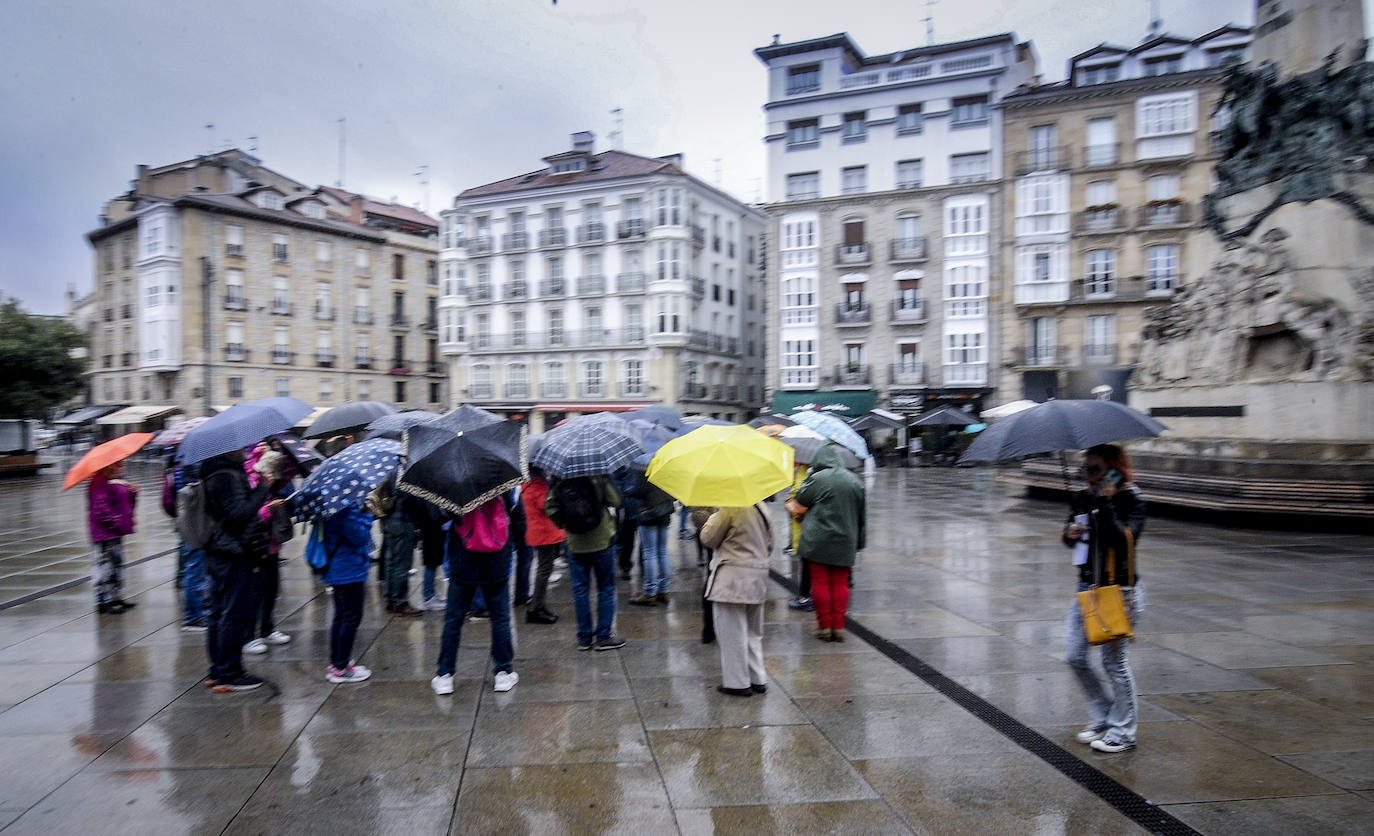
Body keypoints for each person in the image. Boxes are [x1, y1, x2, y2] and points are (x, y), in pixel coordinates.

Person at [1063, 443, 1146, 753]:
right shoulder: (1083, 497)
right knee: (1073, 655)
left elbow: (1123, 541)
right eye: (1085, 469)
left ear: (1114, 468)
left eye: (1095, 469)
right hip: (1087, 588)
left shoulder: (1131, 499)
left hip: (1119, 592)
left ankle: (1124, 732)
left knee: (1115, 664)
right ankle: (1104, 716)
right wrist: (1070, 532)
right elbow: (1073, 539)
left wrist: (1107, 502)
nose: (1088, 476)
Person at [431, 495, 519, 695]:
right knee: (500, 619)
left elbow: (439, 517)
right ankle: (503, 672)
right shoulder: (502, 482)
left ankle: (445, 675)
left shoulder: (456, 486)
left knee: (453, 620)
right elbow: (515, 512)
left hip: (464, 560)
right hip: (496, 560)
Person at [200, 447, 271, 692]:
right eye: (242, 447)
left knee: (218, 613)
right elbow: (238, 514)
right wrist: (262, 489)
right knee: (232, 614)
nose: (246, 450)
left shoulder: (215, 473)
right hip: (232, 551)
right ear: (228, 450)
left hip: (219, 549)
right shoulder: (226, 476)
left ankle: (217, 670)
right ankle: (230, 673)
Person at [790, 443, 865, 642]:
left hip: (818, 540)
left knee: (820, 582)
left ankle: (824, 626)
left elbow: (801, 499)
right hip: (846, 540)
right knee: (841, 583)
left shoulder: (817, 478)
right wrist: (860, 542)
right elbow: (861, 516)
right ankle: (838, 627)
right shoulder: (855, 481)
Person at [545, 473, 626, 651]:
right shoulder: (599, 475)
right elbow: (616, 501)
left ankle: (584, 637)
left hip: (575, 543)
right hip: (602, 540)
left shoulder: (561, 479)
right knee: (606, 588)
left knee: (580, 590)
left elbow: (550, 507)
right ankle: (603, 636)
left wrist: (564, 523)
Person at [699, 503, 773, 696]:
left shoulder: (729, 507)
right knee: (753, 632)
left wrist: (712, 516)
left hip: (731, 579)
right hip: (757, 576)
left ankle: (737, 682)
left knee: (732, 632)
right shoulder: (762, 507)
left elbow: (708, 538)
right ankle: (758, 678)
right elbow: (770, 544)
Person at [244, 449, 295, 654]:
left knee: (271, 588)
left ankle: (267, 628)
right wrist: (269, 509)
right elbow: (249, 514)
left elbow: (289, 472)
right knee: (255, 591)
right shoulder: (252, 482)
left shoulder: (274, 483)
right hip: (255, 544)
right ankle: (249, 635)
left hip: (272, 544)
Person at [320, 503, 374, 684]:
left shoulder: (333, 504)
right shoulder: (345, 508)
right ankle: (340, 667)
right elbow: (359, 537)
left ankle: (338, 661)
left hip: (340, 567)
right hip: (348, 570)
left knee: (341, 617)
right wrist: (367, 514)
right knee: (351, 618)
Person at [87, 460, 138, 614]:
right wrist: (115, 521)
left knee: (117, 565)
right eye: (118, 464)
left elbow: (125, 504)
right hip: (104, 533)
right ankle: (103, 601)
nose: (121, 467)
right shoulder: (98, 481)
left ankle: (116, 597)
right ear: (107, 465)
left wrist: (133, 493)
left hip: (116, 531)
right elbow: (100, 508)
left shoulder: (118, 479)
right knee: (104, 566)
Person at [627, 465, 676, 606]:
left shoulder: (642, 467)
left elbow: (637, 490)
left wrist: (628, 490)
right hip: (664, 512)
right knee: (662, 552)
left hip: (648, 515)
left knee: (650, 553)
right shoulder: (667, 466)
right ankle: (663, 590)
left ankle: (650, 592)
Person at [519, 467, 563, 624]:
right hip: (544, 532)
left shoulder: (529, 483)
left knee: (544, 569)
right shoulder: (538, 484)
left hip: (540, 531)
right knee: (544, 570)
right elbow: (547, 505)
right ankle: (535, 609)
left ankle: (539, 605)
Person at [784, 461, 813, 611]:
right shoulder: (804, 469)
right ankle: (807, 596)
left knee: (807, 563)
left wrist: (792, 500)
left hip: (807, 527)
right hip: (813, 527)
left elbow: (802, 496)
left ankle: (805, 597)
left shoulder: (807, 471)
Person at [611, 466, 640, 581]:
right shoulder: (641, 461)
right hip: (632, 506)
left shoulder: (622, 464)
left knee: (628, 538)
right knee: (628, 539)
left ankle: (626, 566)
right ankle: (626, 566)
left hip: (631, 506)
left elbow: (615, 481)